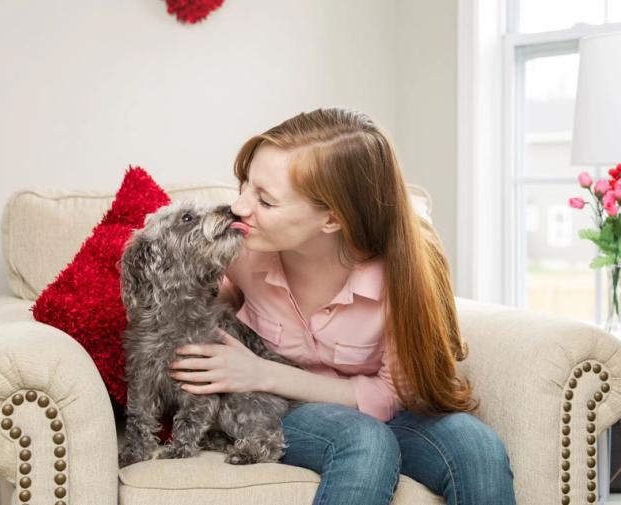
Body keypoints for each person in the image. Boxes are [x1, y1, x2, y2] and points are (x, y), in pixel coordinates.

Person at [167, 107, 516, 505]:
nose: (240, 208)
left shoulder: (406, 270)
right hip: (289, 412)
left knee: (477, 447)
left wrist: (260, 373)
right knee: (364, 441)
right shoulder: (238, 249)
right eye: (245, 185)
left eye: (265, 200)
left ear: (332, 219)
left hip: (378, 410)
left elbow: (392, 395)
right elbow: (193, 312)